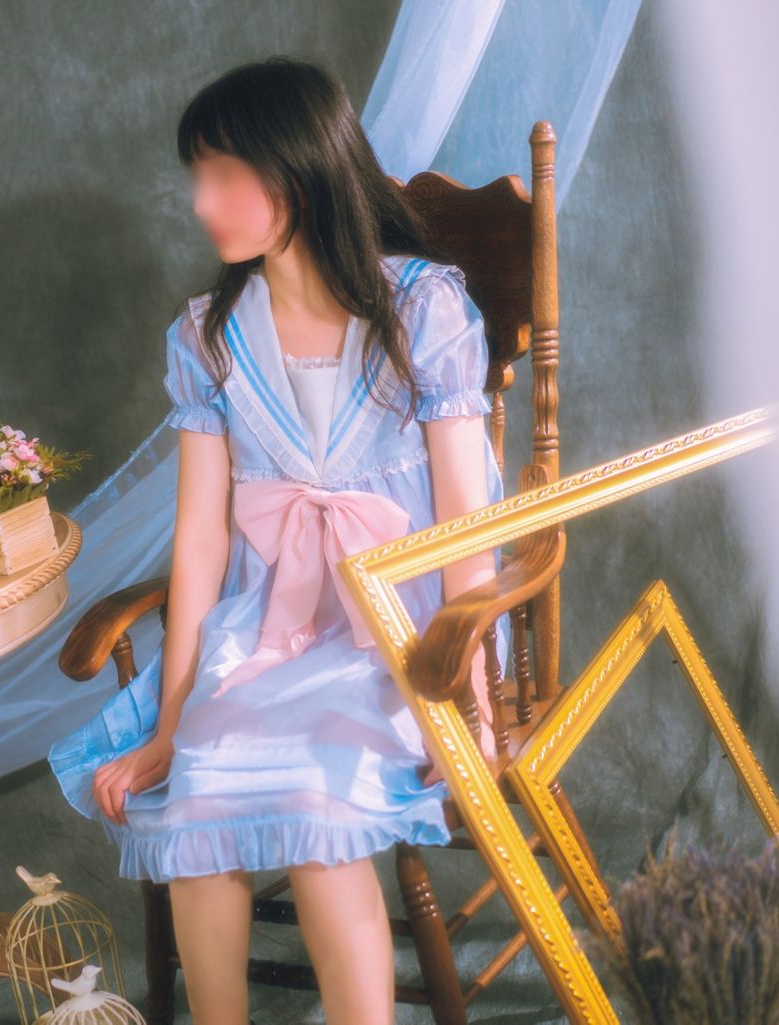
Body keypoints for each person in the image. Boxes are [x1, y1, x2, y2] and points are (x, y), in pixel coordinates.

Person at [46, 57, 510, 1024]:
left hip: (408, 631)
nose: (198, 202)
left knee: (316, 803)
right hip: (273, 631)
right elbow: (200, 541)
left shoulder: (420, 310)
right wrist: (171, 722)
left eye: (223, 175)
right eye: (197, 175)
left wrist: (467, 688)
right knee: (198, 795)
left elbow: (469, 522)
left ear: (297, 175)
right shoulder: (210, 338)